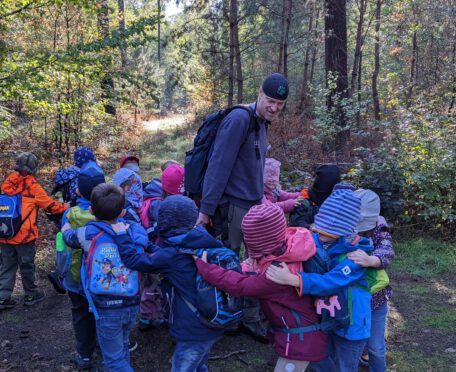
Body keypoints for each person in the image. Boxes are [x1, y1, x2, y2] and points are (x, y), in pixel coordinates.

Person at [195, 73, 289, 340]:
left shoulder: (261, 122)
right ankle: (231, 316)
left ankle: (248, 316)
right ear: (259, 92)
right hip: (233, 206)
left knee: (257, 260)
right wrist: (206, 210)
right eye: (271, 101)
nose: (274, 107)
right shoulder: (239, 119)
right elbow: (218, 165)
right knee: (232, 262)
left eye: (280, 104)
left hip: (254, 205)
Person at [193, 203, 327, 371]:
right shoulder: (288, 247)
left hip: (299, 341)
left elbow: (240, 285)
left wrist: (206, 269)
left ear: (257, 241)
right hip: (300, 333)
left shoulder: (277, 274)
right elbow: (252, 271)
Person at [112, 195, 226, 372]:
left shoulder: (172, 256)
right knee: (198, 362)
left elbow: (135, 261)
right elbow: (167, 258)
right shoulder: (201, 241)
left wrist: (121, 235)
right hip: (212, 320)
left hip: (192, 329)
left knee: (183, 366)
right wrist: (150, 246)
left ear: (165, 223)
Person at [266, 189, 373, 372]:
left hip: (352, 326)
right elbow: (290, 245)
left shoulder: (357, 255)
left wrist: (294, 280)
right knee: (323, 359)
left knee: (345, 367)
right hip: (327, 318)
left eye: (327, 229)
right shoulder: (319, 239)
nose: (317, 230)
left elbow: (330, 281)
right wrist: (262, 256)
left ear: (344, 230)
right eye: (319, 226)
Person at [62, 183, 146, 371]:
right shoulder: (133, 231)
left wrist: (65, 224)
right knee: (122, 345)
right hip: (132, 302)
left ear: (92, 210)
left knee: (113, 360)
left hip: (105, 307)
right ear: (122, 212)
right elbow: (145, 239)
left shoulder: (88, 234)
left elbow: (68, 236)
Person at [0, 152, 68, 310]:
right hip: (24, 236)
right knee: (26, 265)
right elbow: (51, 206)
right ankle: (31, 294)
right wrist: (67, 207)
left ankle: (2, 298)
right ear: (34, 169)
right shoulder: (33, 187)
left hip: (5, 233)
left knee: (6, 266)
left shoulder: (8, 184)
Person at [348, 189, 394, 372]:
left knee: (376, 347)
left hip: (376, 300)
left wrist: (370, 260)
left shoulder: (379, 228)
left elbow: (387, 251)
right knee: (354, 342)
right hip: (352, 299)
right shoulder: (344, 225)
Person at [137, 162, 185, 330]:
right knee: (154, 284)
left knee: (152, 284)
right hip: (158, 249)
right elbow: (161, 229)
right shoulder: (160, 205)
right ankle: (148, 316)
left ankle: (149, 314)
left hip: (156, 249)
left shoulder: (157, 199)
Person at [48, 165, 106, 295]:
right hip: (100, 274)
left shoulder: (69, 214)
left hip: (74, 275)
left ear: (78, 191)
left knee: (78, 309)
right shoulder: (109, 211)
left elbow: (63, 242)